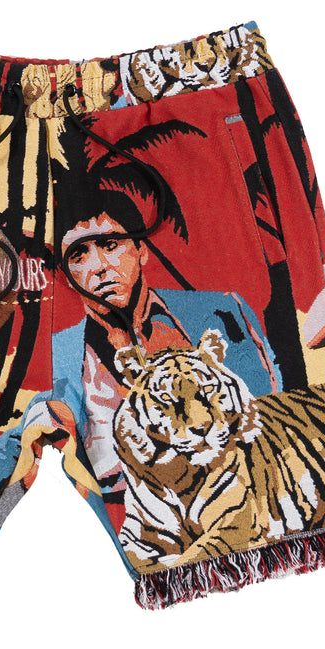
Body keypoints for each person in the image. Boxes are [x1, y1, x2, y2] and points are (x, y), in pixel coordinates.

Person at [54, 205, 281, 492]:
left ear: (141, 251)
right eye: (78, 256)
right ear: (67, 276)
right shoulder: (60, 354)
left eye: (110, 245)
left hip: (246, 484)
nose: (98, 267)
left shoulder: (222, 312)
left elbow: (264, 412)